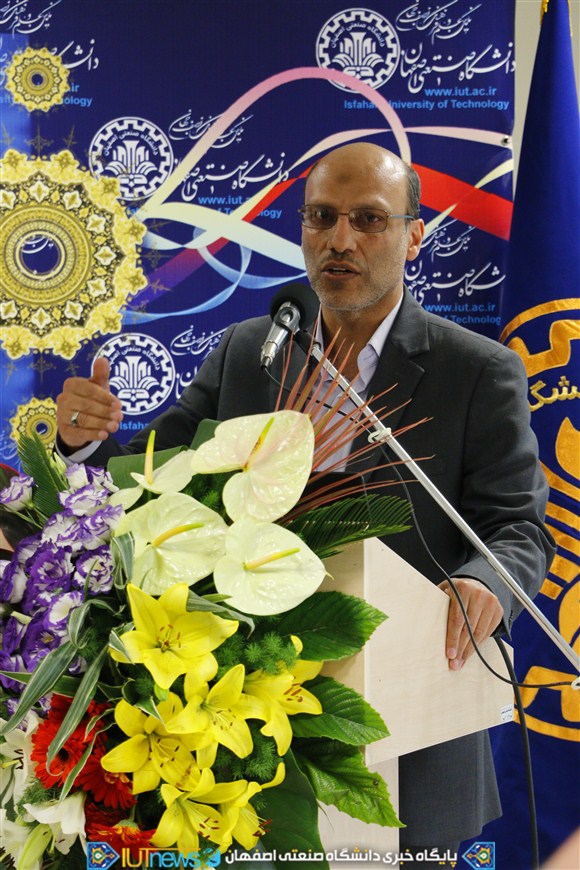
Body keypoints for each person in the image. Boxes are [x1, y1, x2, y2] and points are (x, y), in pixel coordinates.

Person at [55, 142, 555, 862]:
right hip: (241, 738)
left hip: (412, 736)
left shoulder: (476, 371)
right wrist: (81, 444)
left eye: (369, 220)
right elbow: (154, 481)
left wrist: (484, 583)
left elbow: (518, 528)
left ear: (415, 236)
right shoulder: (249, 351)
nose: (340, 239)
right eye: (322, 217)